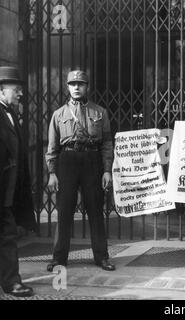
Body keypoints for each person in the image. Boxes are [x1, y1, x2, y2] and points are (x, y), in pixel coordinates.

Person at [45, 70, 115, 272]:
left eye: (80, 84)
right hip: (67, 161)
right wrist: (52, 172)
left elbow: (107, 143)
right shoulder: (59, 114)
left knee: (95, 210)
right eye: (72, 84)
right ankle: (59, 259)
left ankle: (101, 257)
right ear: (67, 87)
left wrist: (107, 170)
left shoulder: (100, 112)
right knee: (65, 211)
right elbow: (52, 147)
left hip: (92, 161)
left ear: (87, 87)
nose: (76, 87)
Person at [0, 66, 37, 297]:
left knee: (7, 234)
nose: (21, 93)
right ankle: (11, 281)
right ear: (2, 90)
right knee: (7, 235)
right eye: (17, 89)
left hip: (7, 190)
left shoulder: (10, 113)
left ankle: (11, 280)